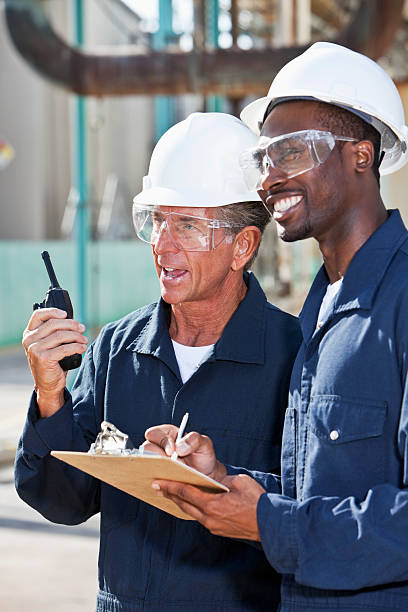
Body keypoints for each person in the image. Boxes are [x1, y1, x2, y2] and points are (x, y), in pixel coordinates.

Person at [144, 43, 408, 611]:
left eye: (290, 153)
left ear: (361, 156)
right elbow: (321, 492)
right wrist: (224, 479)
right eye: (263, 159)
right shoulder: (320, 311)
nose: (270, 178)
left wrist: (267, 522)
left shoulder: (401, 304)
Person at [15, 112, 301, 612]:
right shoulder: (118, 349)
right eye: (158, 220)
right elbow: (64, 500)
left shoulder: (295, 357)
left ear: (243, 246)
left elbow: (312, 515)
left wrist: (224, 482)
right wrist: (50, 393)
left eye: (187, 225)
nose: (162, 244)